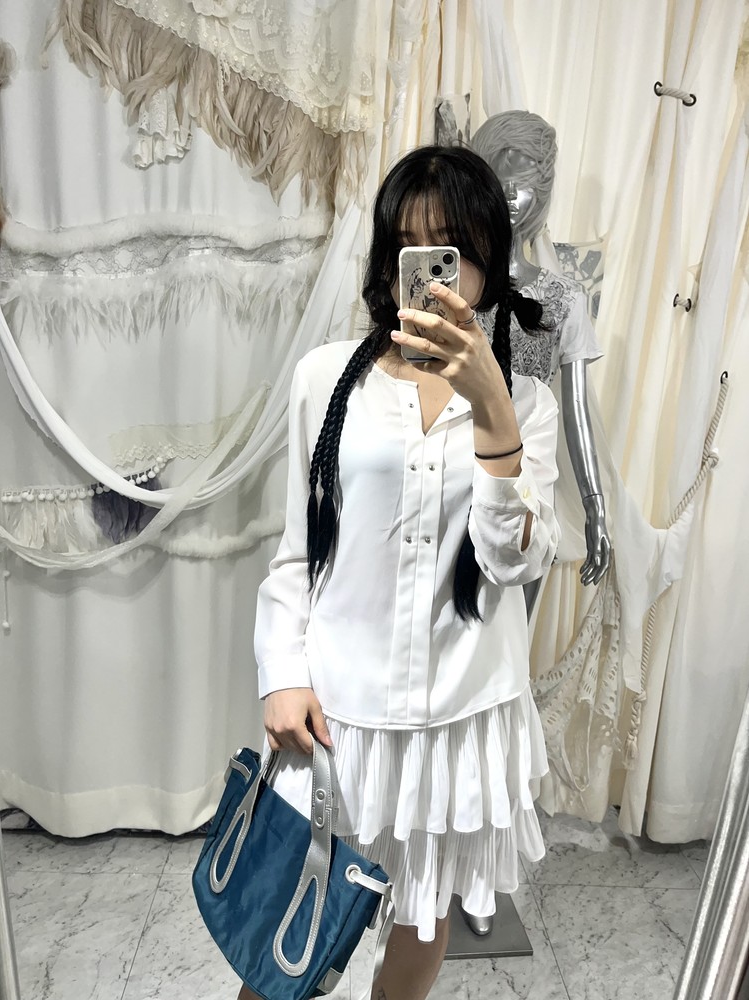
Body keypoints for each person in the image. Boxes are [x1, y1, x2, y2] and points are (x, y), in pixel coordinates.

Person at [243, 145, 560, 1000]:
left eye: (448, 247)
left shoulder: (528, 408)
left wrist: (493, 410)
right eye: (408, 247)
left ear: (486, 258)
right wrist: (281, 673)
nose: (428, 271)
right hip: (338, 711)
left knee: (423, 919)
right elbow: (297, 549)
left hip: (461, 713)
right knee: (283, 932)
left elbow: (513, 560)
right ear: (389, 261)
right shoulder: (325, 380)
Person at [472, 111, 611, 590]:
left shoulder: (564, 299)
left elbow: (576, 413)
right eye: (500, 179)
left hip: (531, 478)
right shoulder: (457, 287)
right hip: (458, 464)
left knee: (515, 614)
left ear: (543, 188)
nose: (511, 193)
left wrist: (595, 506)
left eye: (525, 181)